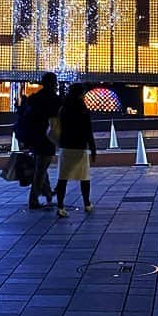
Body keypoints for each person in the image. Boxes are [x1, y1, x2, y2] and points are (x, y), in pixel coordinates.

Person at [20, 72, 61, 210]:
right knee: (41, 168)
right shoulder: (54, 99)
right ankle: (33, 199)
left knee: (41, 166)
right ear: (53, 83)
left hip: (34, 137)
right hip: (47, 137)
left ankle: (48, 193)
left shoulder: (35, 98)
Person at [55, 83, 97, 218]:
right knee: (84, 177)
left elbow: (58, 127)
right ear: (80, 94)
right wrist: (93, 147)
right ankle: (87, 203)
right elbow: (88, 130)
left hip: (66, 146)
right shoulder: (83, 109)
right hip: (80, 146)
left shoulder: (63, 109)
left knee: (63, 177)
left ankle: (60, 206)